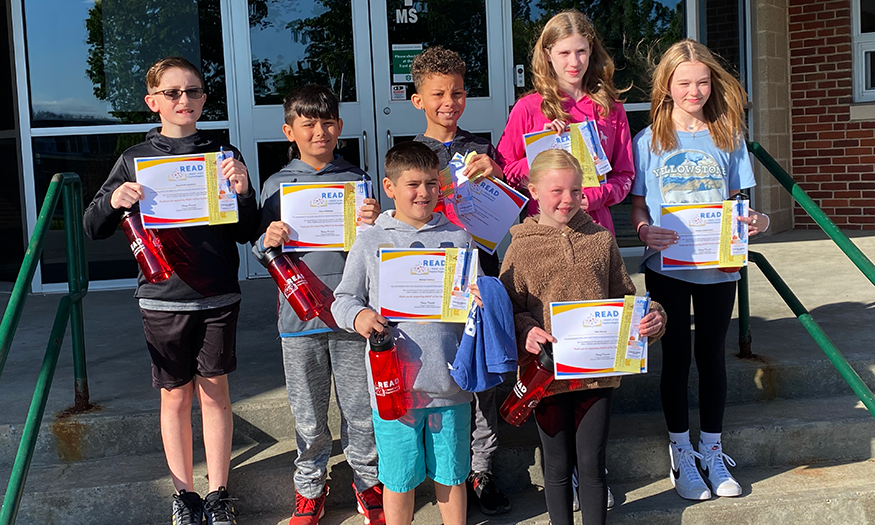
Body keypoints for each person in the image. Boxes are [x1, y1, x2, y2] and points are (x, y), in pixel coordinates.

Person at [83, 56, 256, 525]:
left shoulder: (224, 154)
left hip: (218, 293)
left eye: (193, 91)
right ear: (153, 101)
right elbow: (92, 224)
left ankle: (218, 492)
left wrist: (242, 193)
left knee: (216, 393)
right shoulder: (134, 160)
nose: (184, 100)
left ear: (204, 98)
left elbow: (246, 231)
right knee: (174, 396)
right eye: (173, 92)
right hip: (162, 298)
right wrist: (115, 200)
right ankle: (185, 494)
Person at [630, 39, 770, 501]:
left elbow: (744, 205)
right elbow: (636, 206)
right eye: (684, 82)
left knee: (711, 356)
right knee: (676, 358)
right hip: (667, 266)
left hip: (717, 266)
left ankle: (711, 449)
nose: (695, 91)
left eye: (703, 81)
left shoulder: (729, 134)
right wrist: (644, 230)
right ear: (667, 86)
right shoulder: (647, 140)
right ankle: (681, 453)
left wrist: (758, 222)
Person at [500, 149, 665, 525]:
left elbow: (625, 297)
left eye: (575, 190)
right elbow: (508, 308)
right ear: (534, 191)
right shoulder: (521, 247)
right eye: (557, 190)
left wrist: (652, 318)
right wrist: (526, 330)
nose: (567, 199)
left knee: (592, 463)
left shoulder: (600, 239)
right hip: (547, 375)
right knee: (557, 466)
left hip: (596, 372)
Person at [251, 84, 384, 525]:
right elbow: (262, 249)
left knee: (360, 411)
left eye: (327, 122)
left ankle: (368, 485)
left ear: (340, 127)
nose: (319, 131)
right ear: (290, 131)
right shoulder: (276, 184)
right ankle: (310, 486)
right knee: (307, 415)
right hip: (298, 317)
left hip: (349, 315)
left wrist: (373, 224)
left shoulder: (357, 180)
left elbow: (375, 250)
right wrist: (265, 240)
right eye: (308, 123)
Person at [332, 141, 480, 525]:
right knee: (399, 479)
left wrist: (480, 298)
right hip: (394, 388)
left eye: (432, 183)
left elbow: (475, 306)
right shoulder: (369, 239)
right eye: (413, 184)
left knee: (452, 475)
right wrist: (359, 315)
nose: (424, 193)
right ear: (389, 186)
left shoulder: (460, 239)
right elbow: (343, 298)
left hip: (450, 384)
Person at [409, 45, 510, 515]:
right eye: (438, 94)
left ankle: (483, 469)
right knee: (445, 375)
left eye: (458, 92)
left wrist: (498, 174)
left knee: (483, 378)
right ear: (418, 100)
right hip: (432, 282)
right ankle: (445, 471)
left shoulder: (483, 149)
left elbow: (513, 207)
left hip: (480, 276)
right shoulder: (408, 156)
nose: (449, 102)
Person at [496, 9, 634, 236]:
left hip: (595, 230)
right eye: (564, 53)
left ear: (591, 51)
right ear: (548, 54)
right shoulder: (528, 108)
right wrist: (541, 149)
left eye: (581, 51)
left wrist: (594, 197)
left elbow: (625, 175)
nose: (574, 62)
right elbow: (504, 174)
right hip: (543, 229)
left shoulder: (611, 109)